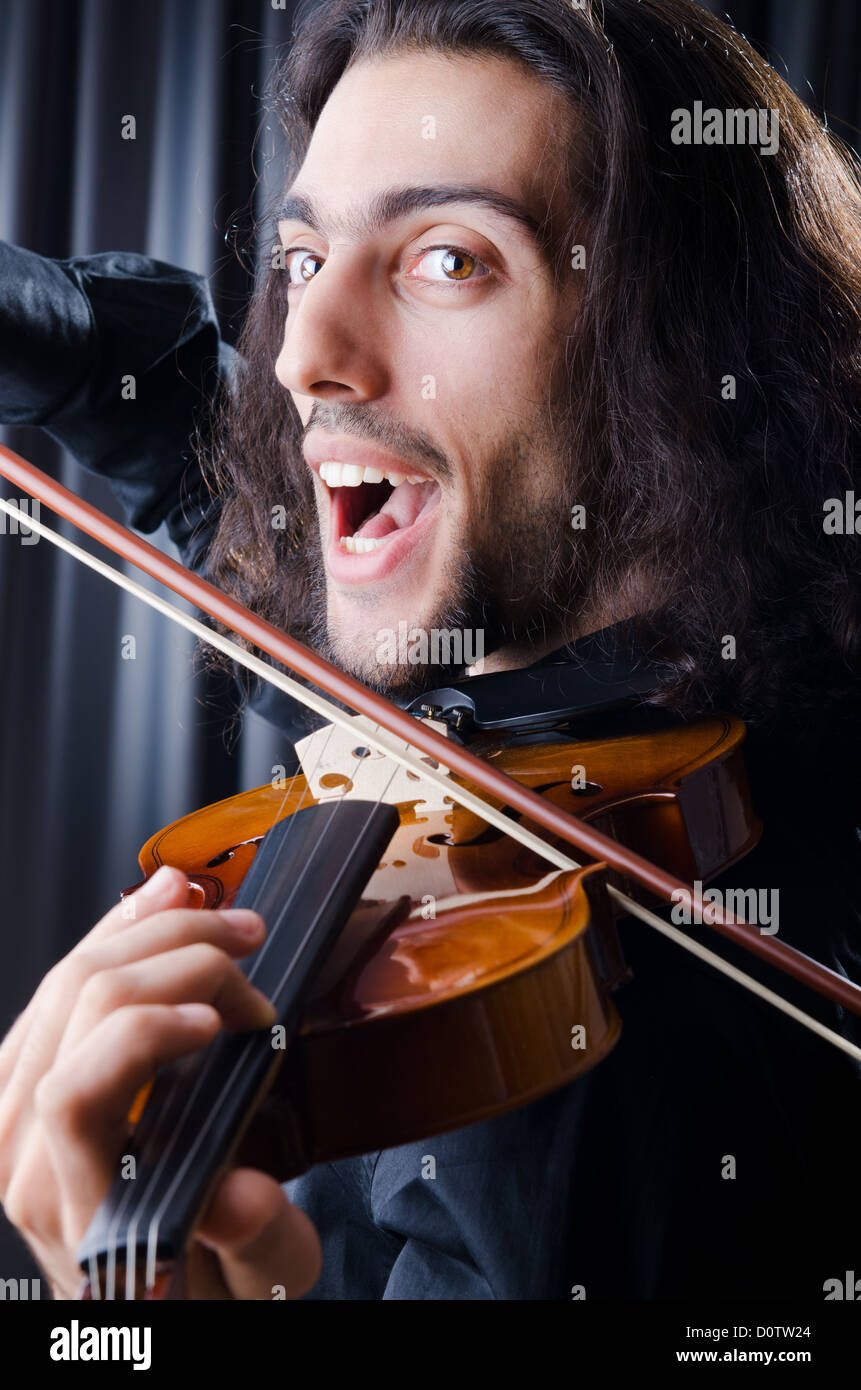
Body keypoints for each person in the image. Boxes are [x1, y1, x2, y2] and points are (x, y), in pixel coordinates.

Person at [0, 0, 859, 1300]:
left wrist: (109, 1323)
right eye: (303, 259)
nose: (301, 359)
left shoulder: (616, 1080)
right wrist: (56, 335)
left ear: (681, 347)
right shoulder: (588, 657)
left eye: (447, 260)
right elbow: (225, 473)